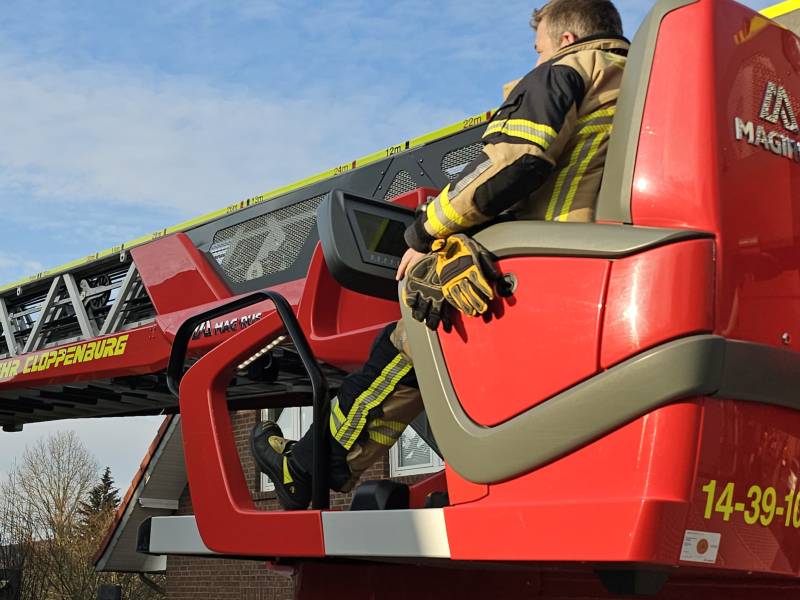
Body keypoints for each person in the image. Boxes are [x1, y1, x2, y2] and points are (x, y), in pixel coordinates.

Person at [250, 0, 630, 511]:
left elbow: (516, 164)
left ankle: (305, 470)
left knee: (409, 339)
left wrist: (425, 231)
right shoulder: (642, 81)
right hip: (601, 272)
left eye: (538, 49)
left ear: (566, 40)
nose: (536, 60)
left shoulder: (567, 71)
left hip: (546, 271)